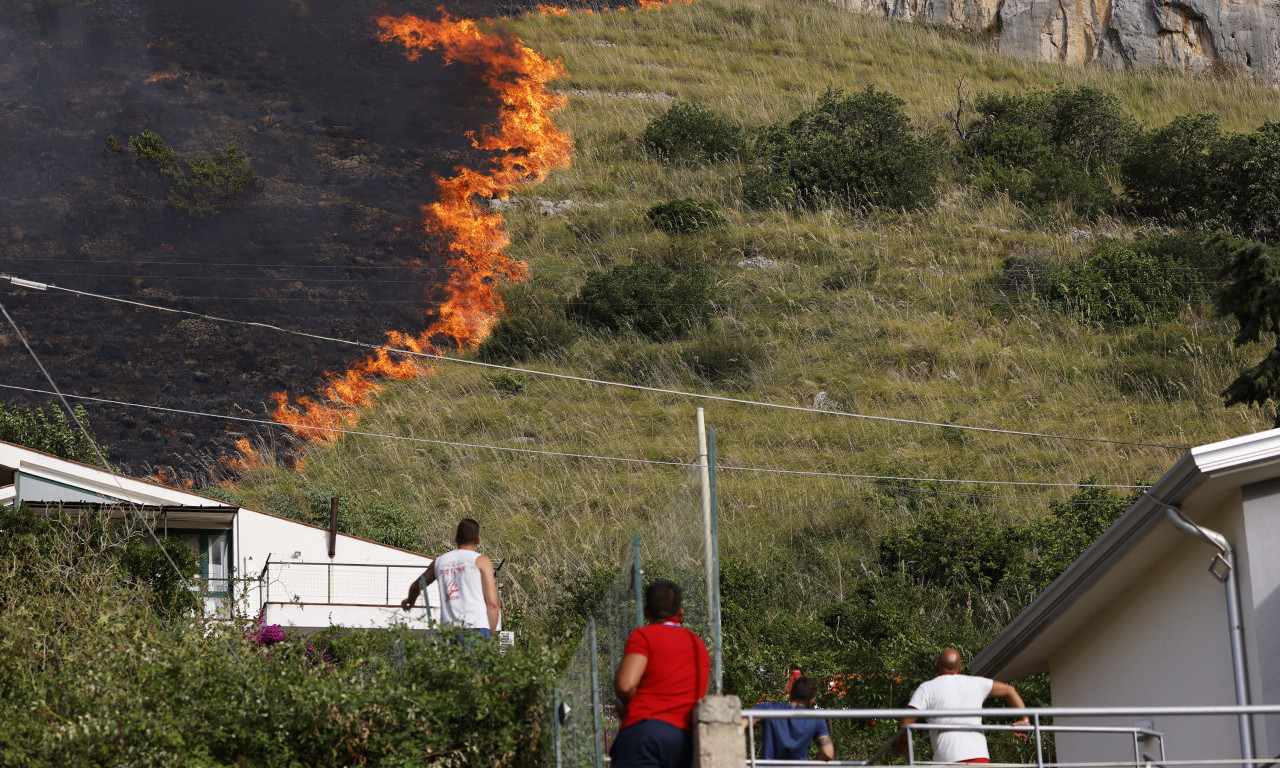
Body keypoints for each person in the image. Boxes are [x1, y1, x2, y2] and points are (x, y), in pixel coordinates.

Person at [610, 580, 710, 768]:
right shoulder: (698, 645)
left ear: (646, 612)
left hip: (643, 734)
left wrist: (631, 707)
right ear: (680, 612)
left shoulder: (643, 636)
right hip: (682, 739)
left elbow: (625, 685)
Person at [893, 648, 1030, 764]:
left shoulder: (927, 688)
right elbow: (1009, 690)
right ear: (959, 669)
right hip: (979, 759)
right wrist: (1025, 720)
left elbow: (905, 724)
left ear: (936, 666)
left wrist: (903, 746)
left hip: (947, 761)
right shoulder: (976, 683)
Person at [400, 517, 500, 638]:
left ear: (456, 538)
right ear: (478, 540)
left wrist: (410, 600)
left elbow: (416, 586)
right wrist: (490, 636)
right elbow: (493, 604)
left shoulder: (439, 562)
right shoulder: (481, 561)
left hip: (449, 631)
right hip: (477, 629)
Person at [753, 676, 835, 762]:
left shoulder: (767, 709)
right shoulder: (816, 719)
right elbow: (828, 753)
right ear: (812, 700)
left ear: (790, 694)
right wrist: (809, 764)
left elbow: (742, 722)